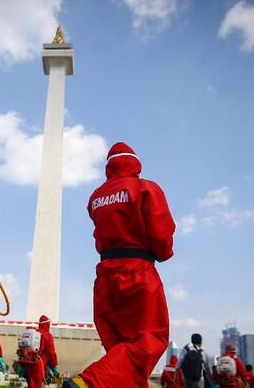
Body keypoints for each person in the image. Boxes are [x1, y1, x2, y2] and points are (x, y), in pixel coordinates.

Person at [64, 142, 176, 388]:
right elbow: (162, 233)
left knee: (119, 353)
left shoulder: (96, 197)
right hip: (137, 271)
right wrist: (164, 252)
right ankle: (88, 383)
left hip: (105, 276)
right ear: (135, 163)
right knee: (148, 341)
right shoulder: (146, 188)